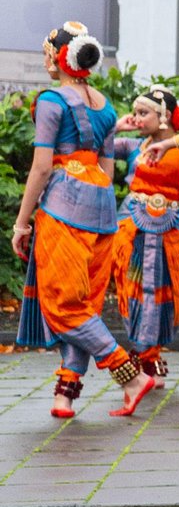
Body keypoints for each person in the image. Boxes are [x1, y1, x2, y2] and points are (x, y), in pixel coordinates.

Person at [9, 23, 155, 418]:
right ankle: (65, 394)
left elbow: (41, 167)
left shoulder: (51, 101)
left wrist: (22, 223)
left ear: (60, 58)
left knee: (63, 304)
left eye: (47, 53)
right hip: (100, 208)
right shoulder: (105, 106)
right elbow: (106, 169)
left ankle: (131, 376)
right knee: (83, 304)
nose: (46, 60)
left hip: (64, 208)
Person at [110, 86, 179, 387]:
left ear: (164, 115)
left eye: (143, 113)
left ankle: (149, 356)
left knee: (165, 291)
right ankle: (147, 359)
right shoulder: (134, 146)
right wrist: (116, 127)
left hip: (172, 229)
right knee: (135, 288)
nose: (137, 118)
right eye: (135, 113)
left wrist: (169, 143)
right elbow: (97, 146)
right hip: (134, 228)